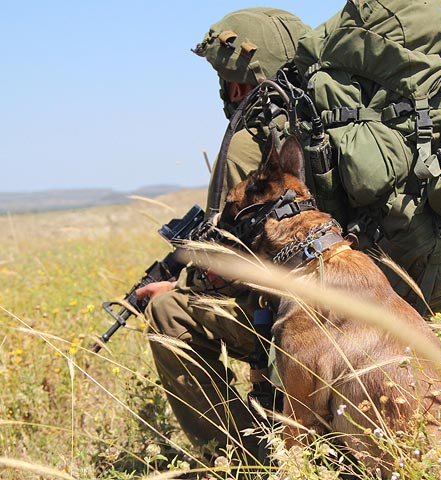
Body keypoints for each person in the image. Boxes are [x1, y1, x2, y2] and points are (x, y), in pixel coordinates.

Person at [134, 7, 310, 465]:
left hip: (296, 316)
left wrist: (179, 286)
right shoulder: (326, 124)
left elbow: (236, 268)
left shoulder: (250, 146)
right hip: (366, 293)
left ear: (238, 83)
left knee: (168, 312)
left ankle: (240, 459)